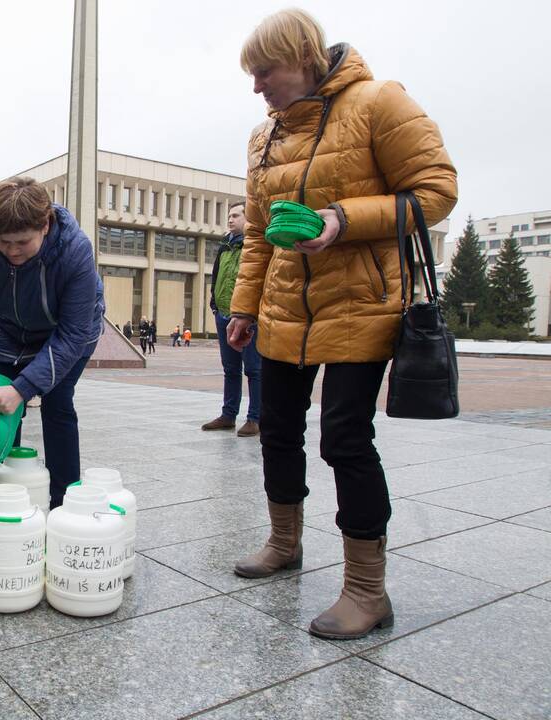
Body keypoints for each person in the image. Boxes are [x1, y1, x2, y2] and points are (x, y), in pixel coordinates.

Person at [228, 9, 457, 640]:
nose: (256, 87)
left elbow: (436, 190)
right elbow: (256, 234)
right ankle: (284, 541)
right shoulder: (262, 137)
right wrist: (244, 308)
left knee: (345, 440)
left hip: (362, 303)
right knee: (276, 427)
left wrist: (341, 220)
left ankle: (366, 589)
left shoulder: (378, 103)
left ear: (302, 57)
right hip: (281, 308)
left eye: (264, 72)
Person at [0, 177, 104, 509]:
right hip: (11, 332)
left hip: (68, 335)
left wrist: (22, 389)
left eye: (22, 242)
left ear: (45, 226)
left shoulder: (75, 252)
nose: (13, 252)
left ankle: (65, 502)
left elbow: (73, 334)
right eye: (5, 242)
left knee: (58, 404)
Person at [202, 202, 260, 437]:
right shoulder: (225, 245)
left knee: (254, 370)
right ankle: (228, 414)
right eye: (229, 216)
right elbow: (217, 275)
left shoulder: (255, 245)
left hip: (248, 317)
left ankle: (255, 418)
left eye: (236, 215)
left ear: (249, 218)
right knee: (230, 369)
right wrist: (215, 305)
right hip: (224, 313)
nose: (230, 219)